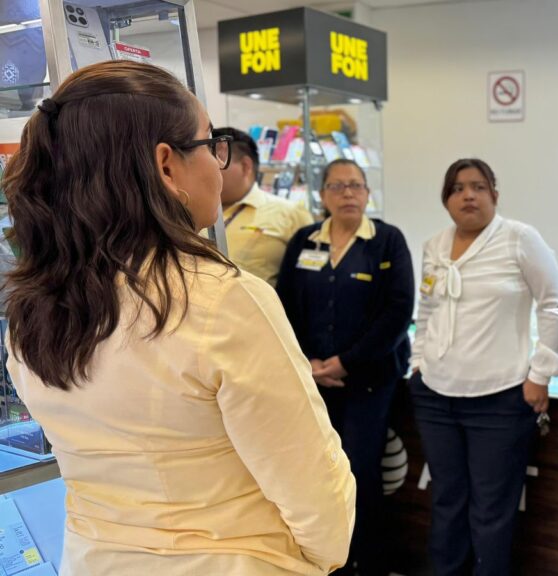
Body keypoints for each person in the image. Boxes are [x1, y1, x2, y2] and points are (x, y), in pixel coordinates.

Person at [3, 61, 355, 575]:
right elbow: (316, 492)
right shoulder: (222, 300)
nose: (218, 162)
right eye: (211, 143)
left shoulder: (33, 306)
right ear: (166, 165)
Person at [410, 158, 558, 576]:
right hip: (435, 396)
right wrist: (417, 364)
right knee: (446, 501)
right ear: (446, 199)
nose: (468, 195)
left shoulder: (520, 238)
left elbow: (555, 304)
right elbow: (426, 309)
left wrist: (540, 374)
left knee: (491, 511)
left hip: (499, 399)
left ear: (494, 196)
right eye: (458, 187)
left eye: (479, 187)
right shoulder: (434, 244)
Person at [277, 158, 415, 576]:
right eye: (338, 186)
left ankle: (367, 561)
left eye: (356, 185)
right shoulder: (305, 240)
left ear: (368, 193)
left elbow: (397, 311)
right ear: (323, 196)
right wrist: (311, 363)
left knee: (360, 472)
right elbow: (283, 304)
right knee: (317, 472)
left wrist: (345, 362)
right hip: (312, 380)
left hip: (369, 381)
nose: (348, 193)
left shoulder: (387, 241)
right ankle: (329, 560)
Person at [212, 126, 313, 286]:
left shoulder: (290, 213)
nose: (209, 168)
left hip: (258, 309)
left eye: (217, 160)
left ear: (245, 166)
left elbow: (309, 280)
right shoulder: (191, 213)